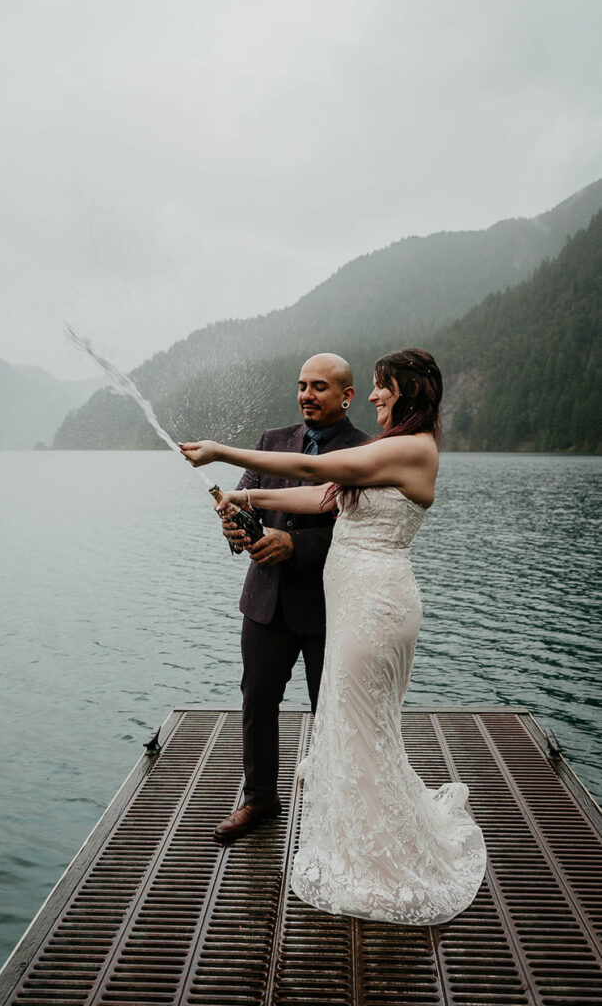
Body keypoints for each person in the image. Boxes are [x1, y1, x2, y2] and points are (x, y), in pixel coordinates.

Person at [180, 348, 486, 925]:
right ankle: (356, 836)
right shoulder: (381, 449)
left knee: (357, 722)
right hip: (350, 600)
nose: (374, 396)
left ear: (409, 393)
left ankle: (385, 858)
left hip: (374, 604)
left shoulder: (413, 448)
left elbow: (316, 472)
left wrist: (219, 451)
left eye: (382, 387)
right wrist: (244, 497)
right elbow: (319, 496)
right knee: (350, 724)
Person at [211, 353, 370, 842]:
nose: (306, 395)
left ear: (346, 395)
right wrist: (232, 527)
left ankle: (336, 801)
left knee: (333, 707)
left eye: (319, 386)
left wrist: (295, 545)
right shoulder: (270, 443)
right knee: (257, 699)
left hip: (328, 607)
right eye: (302, 386)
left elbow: (359, 532)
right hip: (264, 604)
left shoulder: (367, 451)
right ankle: (259, 798)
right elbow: (240, 499)